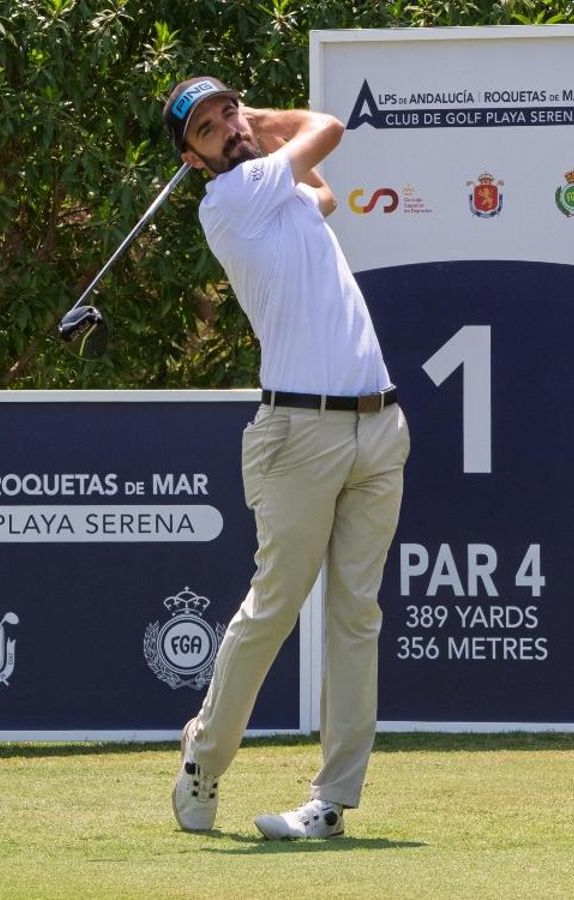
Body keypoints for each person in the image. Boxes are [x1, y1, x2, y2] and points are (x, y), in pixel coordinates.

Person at [161, 76, 409, 840]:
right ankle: (204, 759)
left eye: (228, 111)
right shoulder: (227, 203)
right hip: (298, 434)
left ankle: (332, 801)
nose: (229, 128)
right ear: (194, 161)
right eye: (207, 129)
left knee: (355, 618)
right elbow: (329, 127)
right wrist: (264, 123)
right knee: (274, 608)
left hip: (379, 426)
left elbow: (324, 190)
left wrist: (250, 130)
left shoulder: (282, 195)